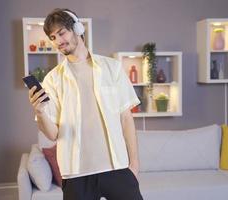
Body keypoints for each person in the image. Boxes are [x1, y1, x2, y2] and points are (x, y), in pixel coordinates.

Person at [28, 8, 144, 200]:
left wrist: (134, 164)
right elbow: (53, 134)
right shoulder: (53, 80)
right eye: (53, 37)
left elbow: (125, 118)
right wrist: (40, 113)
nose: (58, 41)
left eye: (61, 33)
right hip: (76, 174)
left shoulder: (112, 68)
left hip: (117, 167)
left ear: (77, 28)